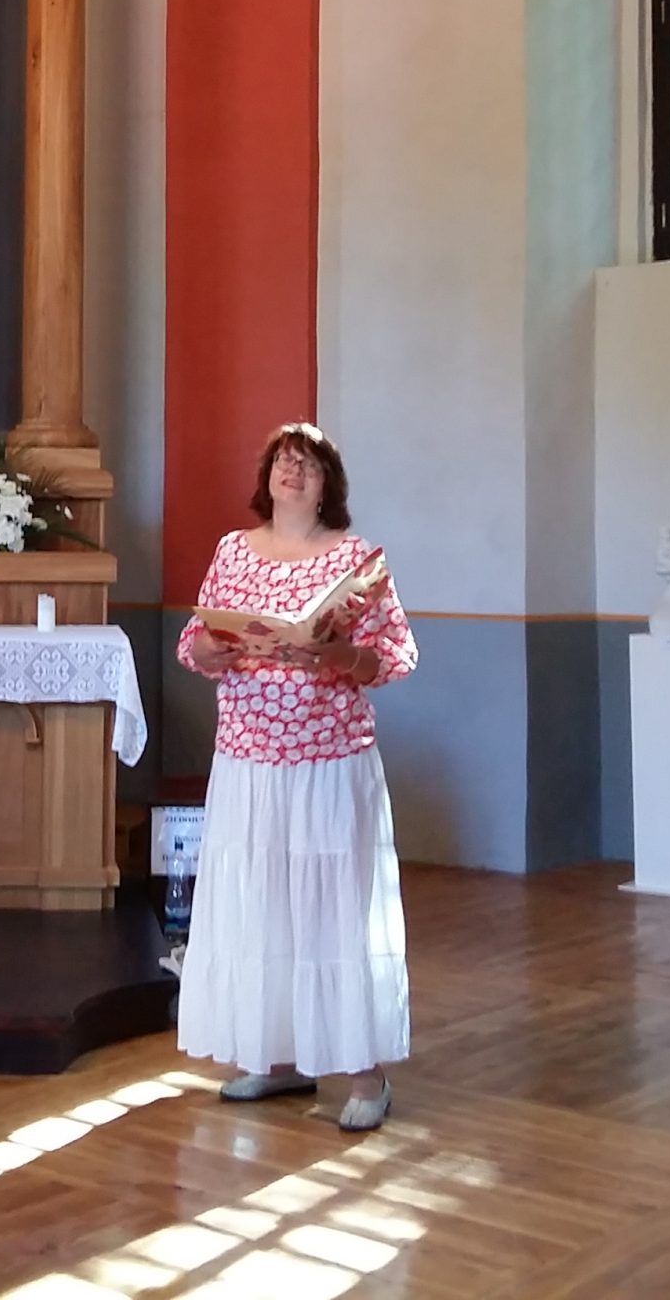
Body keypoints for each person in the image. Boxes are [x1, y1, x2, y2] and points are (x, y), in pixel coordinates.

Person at [175, 422, 416, 1133]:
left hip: (328, 761)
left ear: (327, 485)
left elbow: (396, 656)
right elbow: (195, 641)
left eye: (308, 463)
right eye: (283, 460)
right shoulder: (232, 550)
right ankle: (277, 1056)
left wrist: (341, 657)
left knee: (333, 909)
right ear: (267, 478)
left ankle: (365, 1074)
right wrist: (208, 651)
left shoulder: (356, 560)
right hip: (248, 758)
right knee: (262, 904)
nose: (293, 470)